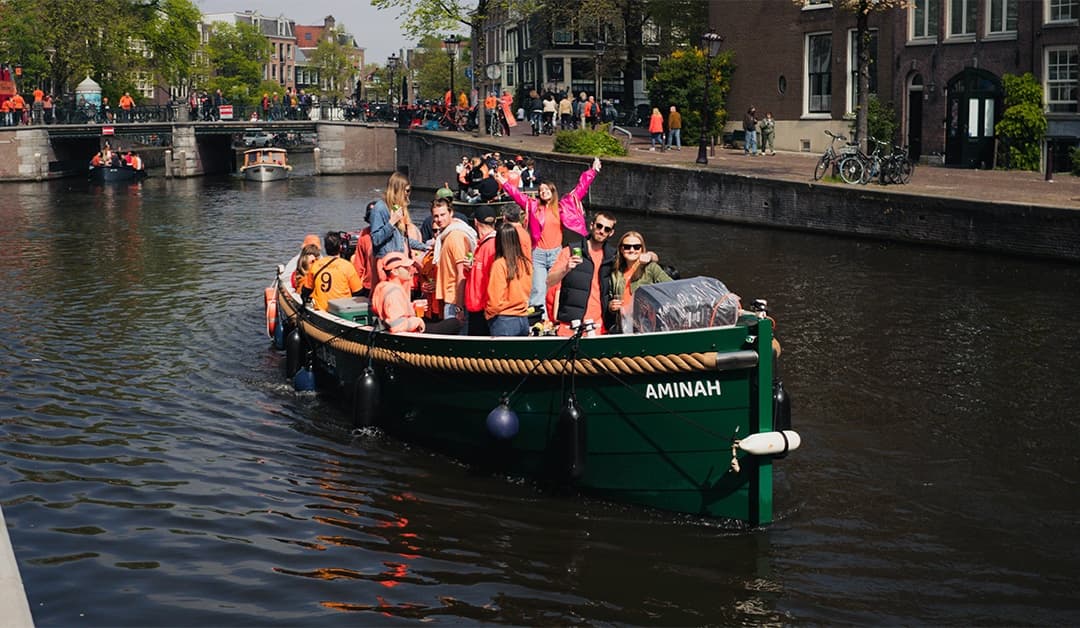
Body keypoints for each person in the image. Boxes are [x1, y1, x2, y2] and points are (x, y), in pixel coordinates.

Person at [498, 157, 600, 314]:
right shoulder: (532, 206)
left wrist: (592, 171)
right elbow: (516, 195)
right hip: (538, 253)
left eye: (546, 190)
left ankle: (553, 318)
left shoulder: (562, 207)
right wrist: (504, 182)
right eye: (541, 190)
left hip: (556, 253)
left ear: (553, 192)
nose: (543, 192)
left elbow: (580, 188)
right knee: (538, 288)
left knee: (556, 288)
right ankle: (538, 319)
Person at [545, 211, 618, 336]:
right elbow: (549, 281)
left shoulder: (613, 256)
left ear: (611, 233)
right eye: (599, 226)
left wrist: (650, 256)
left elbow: (634, 260)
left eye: (606, 229)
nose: (601, 231)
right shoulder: (570, 251)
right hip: (572, 323)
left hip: (599, 325)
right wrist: (565, 269)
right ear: (591, 225)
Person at [372, 252, 460, 334]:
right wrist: (418, 321)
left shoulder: (382, 286)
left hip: (405, 330)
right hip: (409, 334)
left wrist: (412, 307)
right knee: (454, 323)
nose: (411, 270)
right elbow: (396, 325)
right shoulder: (394, 291)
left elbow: (391, 311)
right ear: (394, 271)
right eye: (406, 268)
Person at [607, 231, 671, 333]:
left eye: (636, 247)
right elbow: (610, 295)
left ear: (642, 249)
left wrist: (652, 304)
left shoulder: (650, 268)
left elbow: (670, 287)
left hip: (646, 325)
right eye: (627, 247)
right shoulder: (616, 272)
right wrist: (611, 306)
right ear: (621, 249)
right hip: (622, 324)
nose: (632, 250)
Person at [368, 171, 428, 279]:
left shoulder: (397, 208)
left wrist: (425, 247)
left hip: (400, 261)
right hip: (387, 263)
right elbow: (376, 239)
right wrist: (391, 223)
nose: (408, 194)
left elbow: (402, 239)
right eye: (406, 190)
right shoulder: (380, 208)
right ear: (398, 189)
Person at [431, 198, 477, 333]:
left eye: (443, 214)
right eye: (436, 216)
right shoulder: (446, 235)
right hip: (452, 297)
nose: (439, 219)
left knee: (455, 342)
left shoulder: (455, 237)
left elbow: (461, 273)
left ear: (451, 213)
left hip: (455, 300)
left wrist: (459, 307)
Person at [486, 222, 533, 337]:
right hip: (523, 319)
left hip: (503, 320)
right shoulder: (526, 263)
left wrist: (488, 313)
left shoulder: (500, 264)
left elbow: (495, 300)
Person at [301, 232, 364, 310]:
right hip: (342, 310)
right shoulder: (347, 266)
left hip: (321, 309)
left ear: (325, 247)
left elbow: (306, 291)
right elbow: (358, 292)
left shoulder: (316, 265)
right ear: (340, 247)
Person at [463, 204, 499, 336]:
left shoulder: (489, 245)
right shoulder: (486, 244)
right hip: (479, 305)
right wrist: (470, 269)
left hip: (482, 308)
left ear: (476, 222)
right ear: (494, 221)